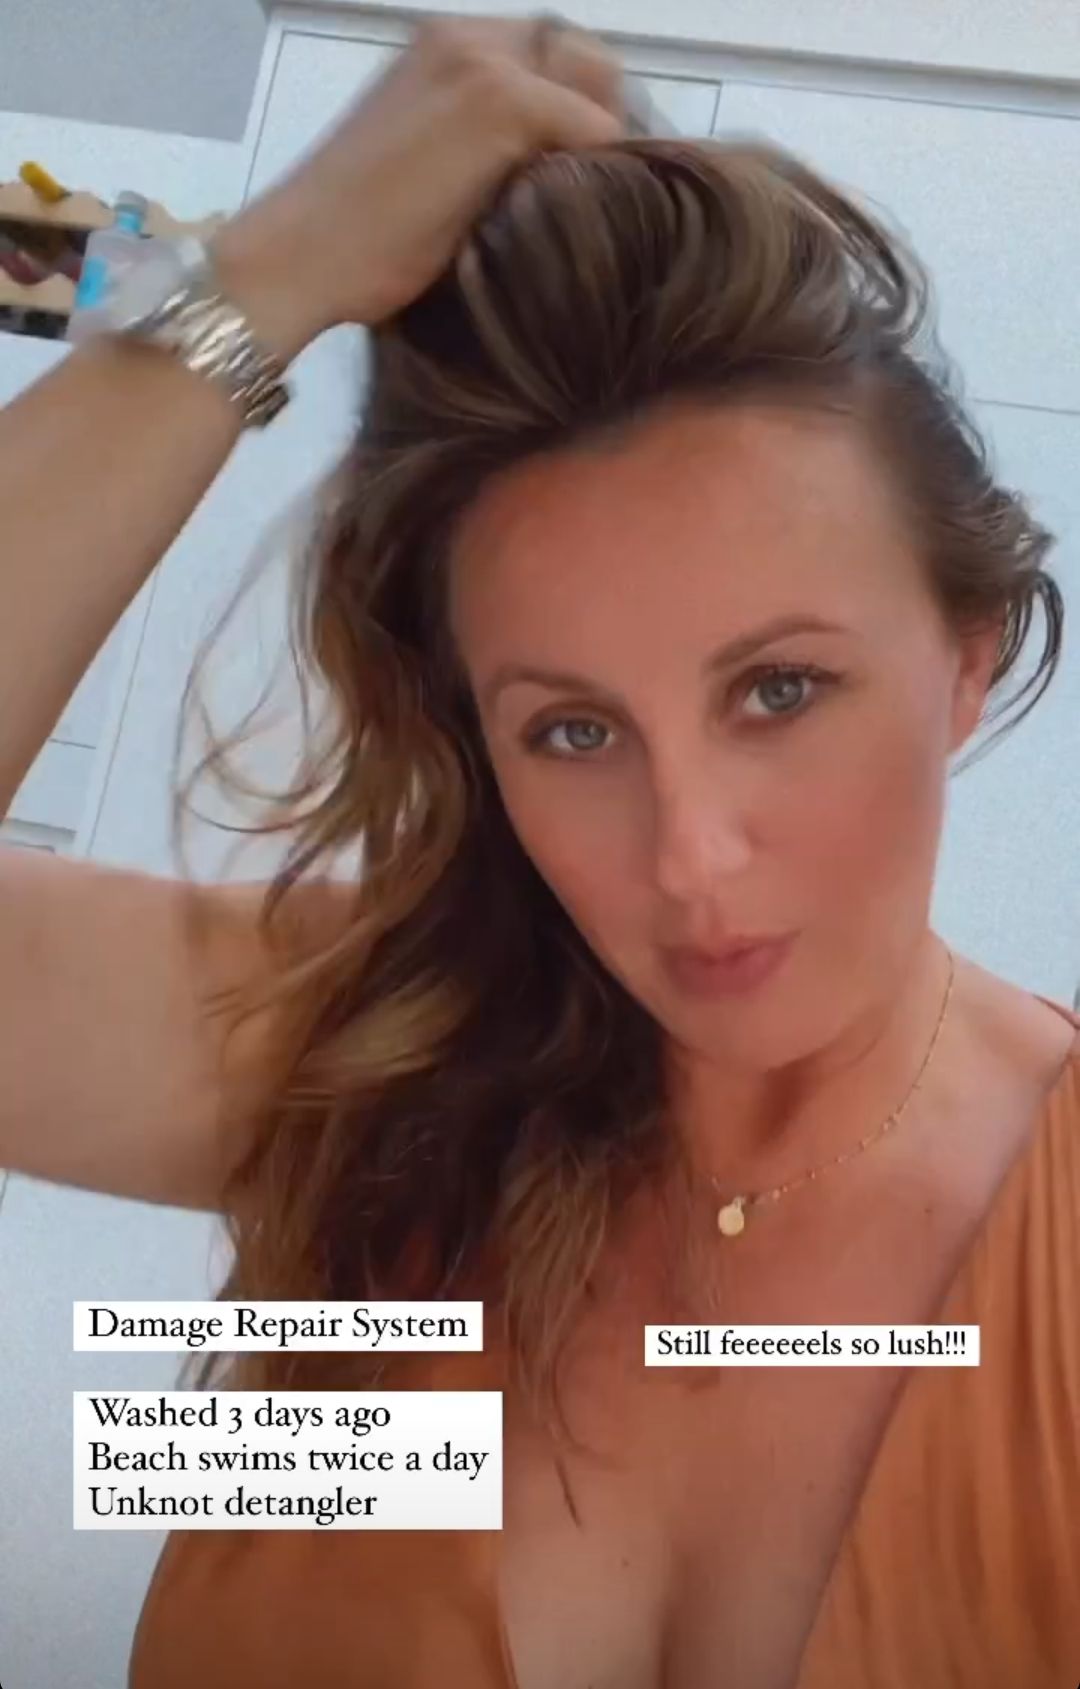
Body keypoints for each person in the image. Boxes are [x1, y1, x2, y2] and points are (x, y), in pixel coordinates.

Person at [1, 15, 1077, 1689]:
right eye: (573, 730)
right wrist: (266, 275)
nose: (691, 857)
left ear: (969, 662)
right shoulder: (375, 1055)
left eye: (779, 690)